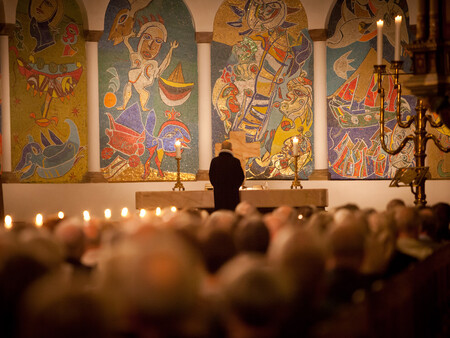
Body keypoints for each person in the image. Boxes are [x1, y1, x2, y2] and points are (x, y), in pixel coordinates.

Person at [209, 141, 245, 211]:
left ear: (221, 149)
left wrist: (217, 186)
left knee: (220, 213)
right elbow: (241, 177)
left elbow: (211, 176)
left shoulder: (214, 161)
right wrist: (235, 187)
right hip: (233, 193)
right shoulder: (235, 161)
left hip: (219, 193)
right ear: (231, 150)